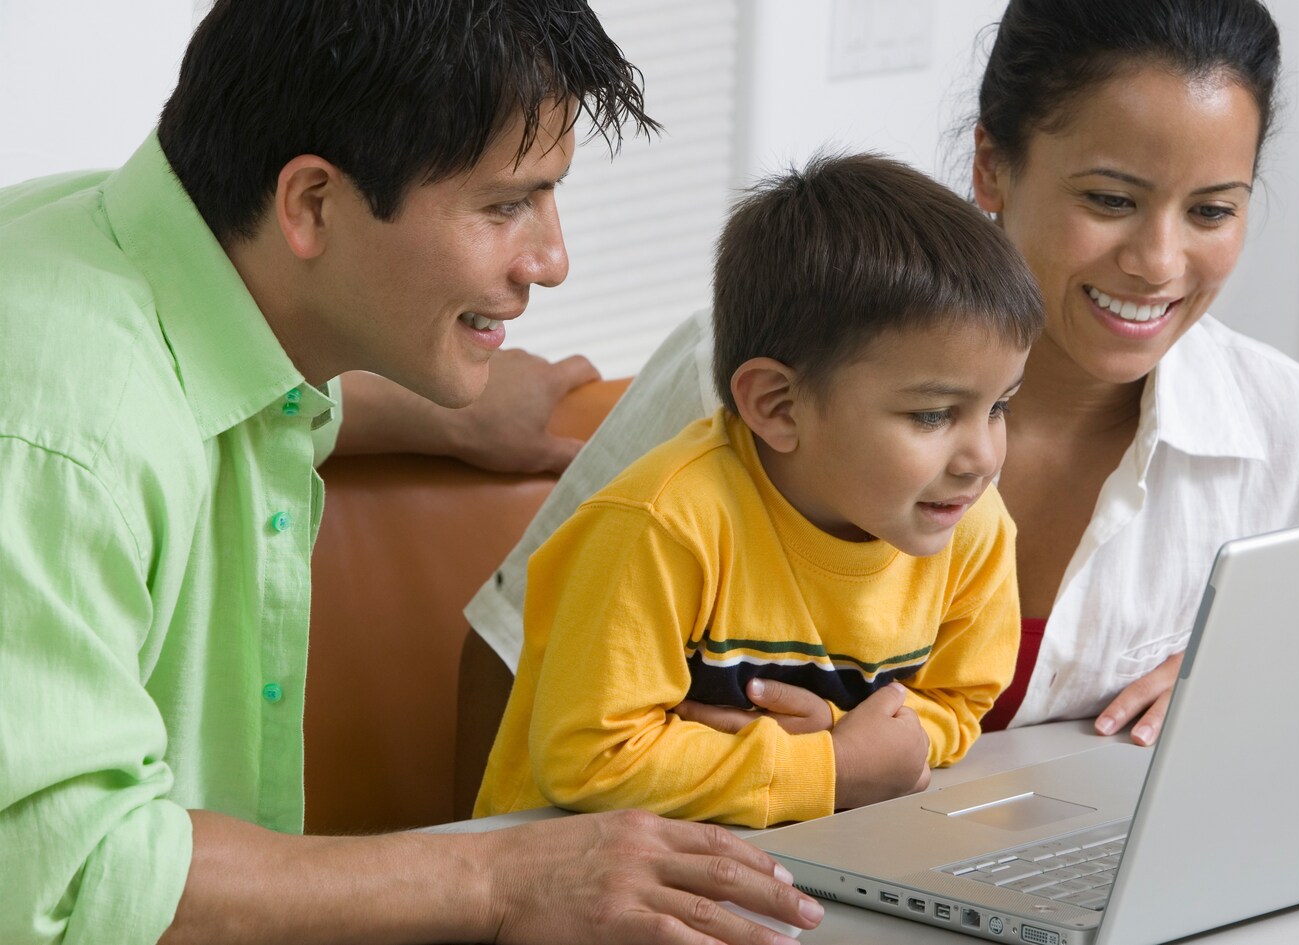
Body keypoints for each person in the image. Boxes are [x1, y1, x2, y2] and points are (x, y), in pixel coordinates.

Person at [0, 1, 823, 943]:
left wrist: (432, 414)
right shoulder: (58, 438)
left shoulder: (125, 250)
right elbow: (60, 879)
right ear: (312, 203)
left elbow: (184, 386)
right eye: (507, 203)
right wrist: (503, 875)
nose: (552, 259)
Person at [464, 0, 1299, 747]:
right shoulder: (766, 373)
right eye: (1111, 200)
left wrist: (1270, 662)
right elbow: (508, 663)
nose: (1159, 263)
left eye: (1212, 211)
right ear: (992, 167)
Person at [475, 154, 1044, 829]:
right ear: (777, 405)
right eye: (932, 415)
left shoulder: (972, 527)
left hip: (774, 862)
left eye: (999, 407)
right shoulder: (663, 524)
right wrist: (832, 766)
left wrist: (841, 733)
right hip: (565, 884)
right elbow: (591, 759)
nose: (982, 458)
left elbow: (956, 703)